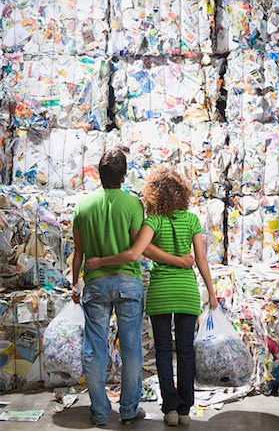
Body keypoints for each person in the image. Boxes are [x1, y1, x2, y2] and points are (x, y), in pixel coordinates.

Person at [86, 167, 218, 427]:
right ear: (182, 193)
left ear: (153, 195)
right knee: (186, 351)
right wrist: (211, 293)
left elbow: (138, 250)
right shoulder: (192, 220)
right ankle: (184, 409)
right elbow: (201, 260)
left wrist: (100, 261)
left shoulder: (152, 221)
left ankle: (169, 408)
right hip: (187, 292)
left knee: (164, 351)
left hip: (160, 293)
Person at [72, 149, 194, 427]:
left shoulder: (82, 206)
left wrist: (74, 281)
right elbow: (141, 249)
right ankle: (128, 410)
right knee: (130, 350)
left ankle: (100, 412)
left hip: (95, 284)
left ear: (98, 174)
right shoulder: (133, 205)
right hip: (128, 283)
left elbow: (78, 251)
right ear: (123, 175)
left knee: (94, 349)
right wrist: (178, 260)